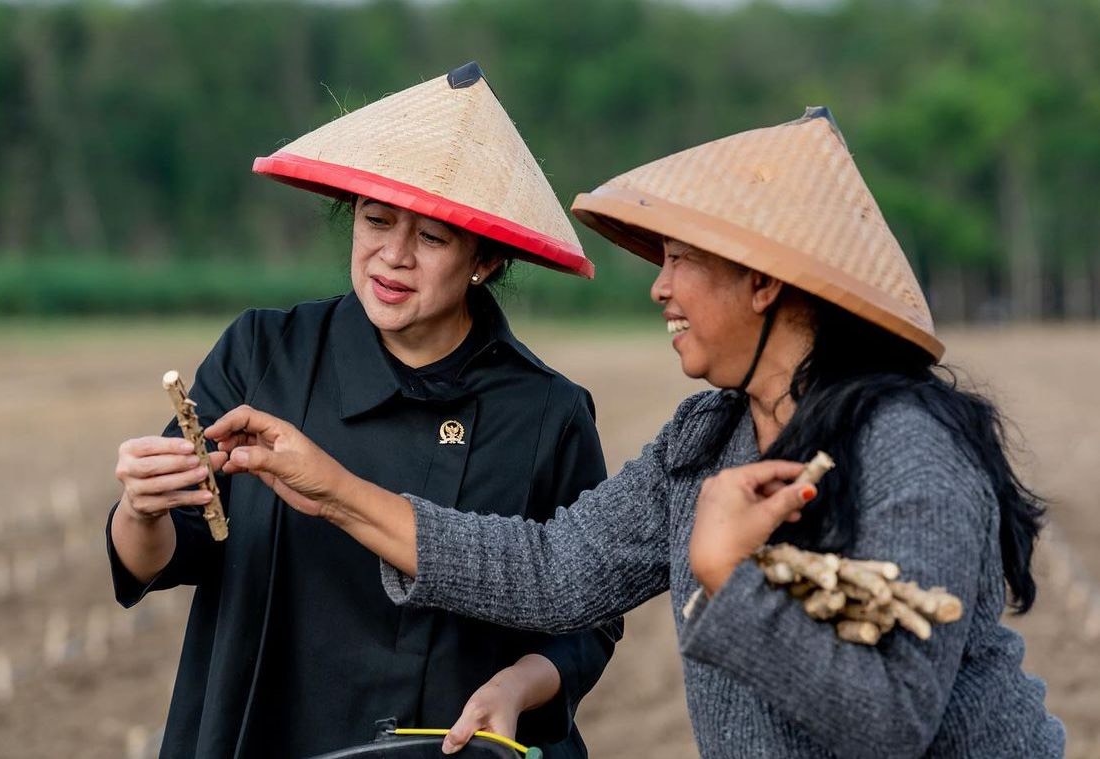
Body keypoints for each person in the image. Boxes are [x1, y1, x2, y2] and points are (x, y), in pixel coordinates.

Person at [205, 108, 1066, 758]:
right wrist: (332, 489)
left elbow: (890, 723)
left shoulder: (908, 449)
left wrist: (727, 573)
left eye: (680, 260)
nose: (660, 288)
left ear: (763, 283)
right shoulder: (704, 440)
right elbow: (549, 572)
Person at [107, 62, 621, 759]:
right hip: (270, 731)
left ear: (485, 261)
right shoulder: (265, 356)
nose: (394, 256)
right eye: (376, 220)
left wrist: (521, 684)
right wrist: (142, 510)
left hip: (452, 745)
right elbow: (166, 555)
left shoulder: (544, 410)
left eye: (433, 238)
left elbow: (588, 616)